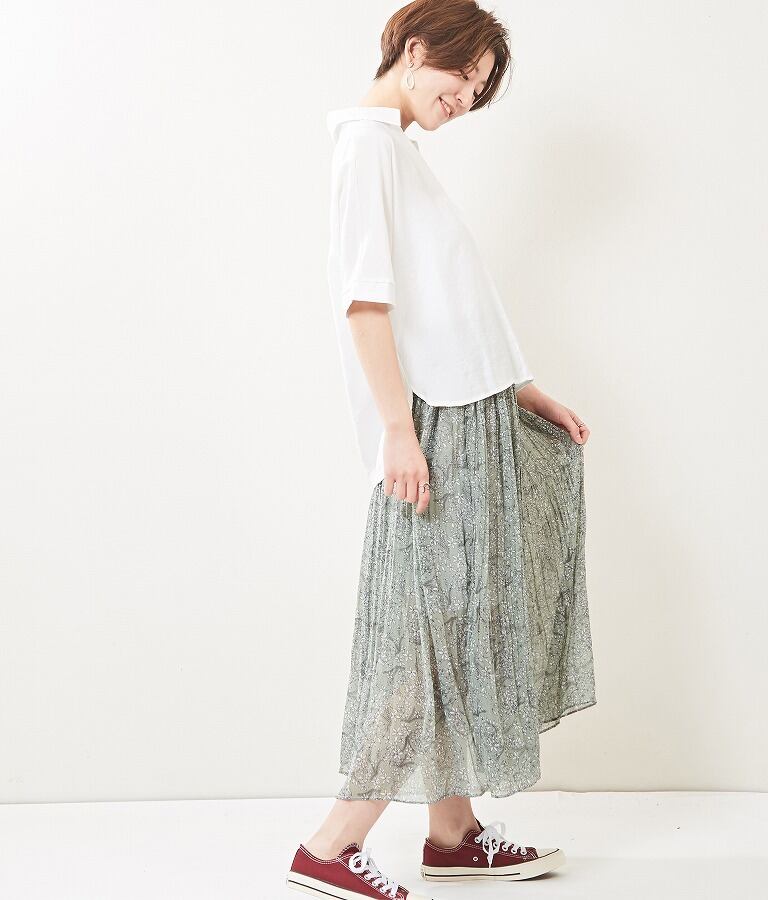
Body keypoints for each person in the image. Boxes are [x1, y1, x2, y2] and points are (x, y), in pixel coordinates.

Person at [287, 2, 597, 897]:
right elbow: (365, 303)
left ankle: (452, 833)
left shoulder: (398, 151)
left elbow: (454, 304)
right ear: (417, 49)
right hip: (435, 423)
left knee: (457, 624)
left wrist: (522, 389)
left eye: (480, 91)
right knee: (428, 628)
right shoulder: (367, 148)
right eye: (463, 78)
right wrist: (398, 430)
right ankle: (332, 844)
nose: (466, 99)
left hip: (472, 408)